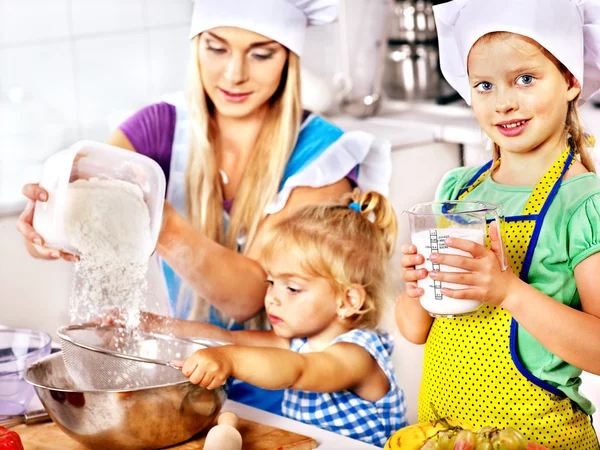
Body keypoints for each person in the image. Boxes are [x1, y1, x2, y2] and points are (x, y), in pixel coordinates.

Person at [16, 0, 392, 414]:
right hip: (189, 386)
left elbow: (250, 297)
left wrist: (161, 223)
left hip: (285, 401)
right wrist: (50, 219)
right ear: (196, 44)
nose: (234, 74)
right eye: (216, 47)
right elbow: (85, 185)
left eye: (261, 53)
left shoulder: (322, 155)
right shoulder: (157, 128)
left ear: (289, 58)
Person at [395, 0, 600, 447]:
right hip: (445, 433)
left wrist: (507, 291)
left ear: (569, 80)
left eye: (525, 79)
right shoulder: (456, 189)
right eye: (484, 85)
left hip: (540, 437)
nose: (504, 103)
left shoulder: (583, 202)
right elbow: (414, 330)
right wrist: (416, 288)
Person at [125, 189, 408, 447]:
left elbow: (299, 370)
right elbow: (228, 337)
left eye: (292, 288)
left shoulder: (359, 356)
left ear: (347, 301)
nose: (272, 297)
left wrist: (229, 360)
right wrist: (152, 326)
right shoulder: (297, 341)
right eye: (272, 282)